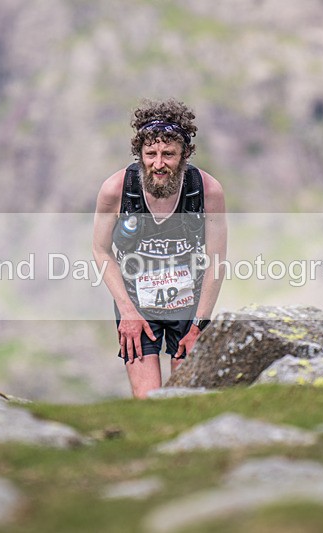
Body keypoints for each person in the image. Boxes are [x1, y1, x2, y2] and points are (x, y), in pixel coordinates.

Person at [92, 99, 227, 399]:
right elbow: (101, 250)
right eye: (150, 154)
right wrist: (127, 311)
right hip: (136, 304)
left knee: (187, 400)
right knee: (148, 400)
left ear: (185, 154)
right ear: (139, 153)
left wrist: (199, 326)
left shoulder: (208, 191)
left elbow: (216, 260)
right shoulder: (116, 190)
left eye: (169, 154)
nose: (158, 164)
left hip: (190, 307)